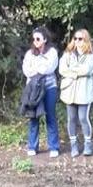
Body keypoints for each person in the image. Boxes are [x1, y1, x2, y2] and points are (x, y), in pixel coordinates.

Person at [22, 27, 60, 157]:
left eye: (38, 39)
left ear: (45, 39)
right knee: (33, 117)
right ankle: (32, 146)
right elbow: (27, 71)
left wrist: (37, 69)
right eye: (33, 39)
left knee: (50, 116)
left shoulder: (52, 52)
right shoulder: (29, 54)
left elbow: (49, 68)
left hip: (49, 87)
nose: (35, 41)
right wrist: (39, 69)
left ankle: (54, 147)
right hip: (33, 89)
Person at [59, 29, 93, 157]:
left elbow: (87, 70)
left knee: (83, 118)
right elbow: (62, 70)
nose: (77, 41)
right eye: (75, 38)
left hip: (84, 93)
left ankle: (87, 144)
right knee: (71, 119)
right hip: (69, 92)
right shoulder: (68, 53)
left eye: (80, 39)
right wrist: (76, 72)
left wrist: (72, 71)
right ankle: (74, 145)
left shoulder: (91, 55)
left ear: (86, 40)